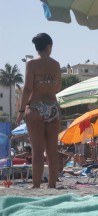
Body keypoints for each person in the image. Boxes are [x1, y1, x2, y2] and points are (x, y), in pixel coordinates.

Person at [16, 33, 61, 188]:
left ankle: (36, 185)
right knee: (52, 150)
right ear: (49, 46)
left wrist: (21, 111)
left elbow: (28, 88)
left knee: (37, 150)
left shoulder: (32, 64)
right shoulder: (56, 65)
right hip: (52, 107)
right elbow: (57, 87)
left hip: (35, 107)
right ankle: (52, 184)